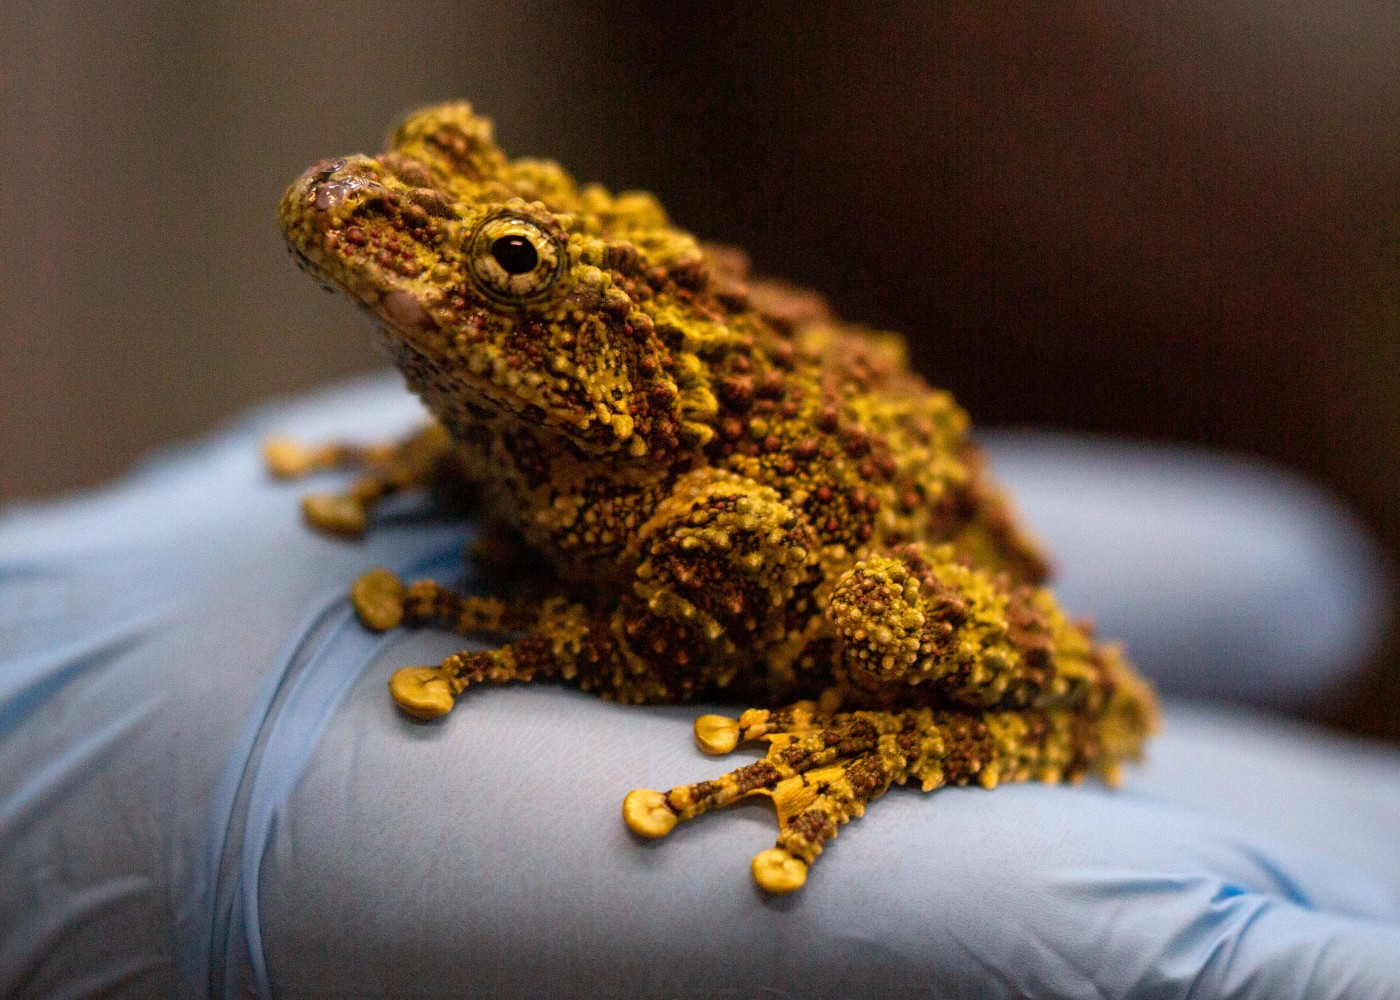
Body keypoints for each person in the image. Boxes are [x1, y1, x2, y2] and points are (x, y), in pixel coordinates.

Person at [3, 376, 1398, 999]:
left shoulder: (680, 494)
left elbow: (733, 552)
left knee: (872, 606)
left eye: (494, 256)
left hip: (857, 573)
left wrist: (599, 650)